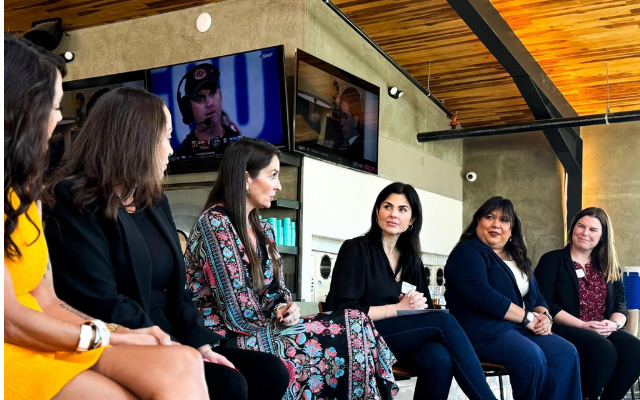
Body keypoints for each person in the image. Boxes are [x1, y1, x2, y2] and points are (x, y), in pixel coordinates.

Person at [44, 87, 289, 400]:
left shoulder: (154, 202)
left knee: (270, 372)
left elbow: (178, 291)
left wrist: (201, 345)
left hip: (172, 336)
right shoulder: (73, 199)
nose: (171, 149)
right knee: (230, 385)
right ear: (137, 140)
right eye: (166, 137)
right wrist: (167, 344)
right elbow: (98, 299)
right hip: (125, 338)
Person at [4, 33, 209, 400]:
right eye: (53, 107)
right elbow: (9, 318)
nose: (59, 119)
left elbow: (48, 302)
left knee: (184, 362)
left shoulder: (26, 195)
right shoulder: (69, 199)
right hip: (15, 348)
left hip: (52, 335)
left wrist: (119, 332)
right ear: (20, 110)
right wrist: (106, 334)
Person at [185, 137, 399, 400]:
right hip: (223, 336)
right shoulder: (214, 224)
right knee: (348, 326)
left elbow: (277, 291)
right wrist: (279, 322)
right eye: (273, 176)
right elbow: (235, 310)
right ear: (245, 179)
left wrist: (286, 308)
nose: (279, 185)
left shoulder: (264, 229)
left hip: (263, 327)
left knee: (358, 321)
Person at [326, 182, 497, 400]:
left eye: (402, 209)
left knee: (439, 357)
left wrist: (416, 303)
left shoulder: (411, 260)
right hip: (358, 337)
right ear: (377, 211)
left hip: (396, 339)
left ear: (412, 220)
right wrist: (397, 308)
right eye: (387, 206)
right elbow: (342, 309)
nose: (393, 214)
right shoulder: (356, 249)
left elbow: (423, 308)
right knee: (443, 322)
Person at [444, 196, 582, 400]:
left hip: (515, 329)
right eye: (490, 217)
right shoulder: (467, 252)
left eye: (504, 220)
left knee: (566, 352)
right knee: (531, 356)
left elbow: (537, 297)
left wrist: (544, 318)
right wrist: (527, 318)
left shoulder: (518, 258)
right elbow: (484, 296)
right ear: (478, 221)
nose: (496, 225)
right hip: (481, 331)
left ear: (512, 228)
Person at [535, 207, 640, 400]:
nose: (585, 233)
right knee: (603, 351)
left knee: (636, 350)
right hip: (565, 328)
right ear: (573, 228)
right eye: (581, 226)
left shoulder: (609, 265)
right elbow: (545, 302)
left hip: (602, 328)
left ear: (602, 236)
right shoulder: (552, 260)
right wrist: (584, 325)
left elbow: (620, 305)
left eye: (593, 230)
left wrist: (614, 324)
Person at [173, 63, 241, 159]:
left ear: (220, 97)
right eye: (200, 98)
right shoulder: (181, 155)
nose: (209, 103)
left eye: (212, 94)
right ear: (189, 107)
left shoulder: (241, 146)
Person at [334, 86, 365, 160]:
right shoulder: (339, 141)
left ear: (355, 120)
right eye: (341, 116)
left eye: (346, 117)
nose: (341, 123)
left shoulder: (364, 149)